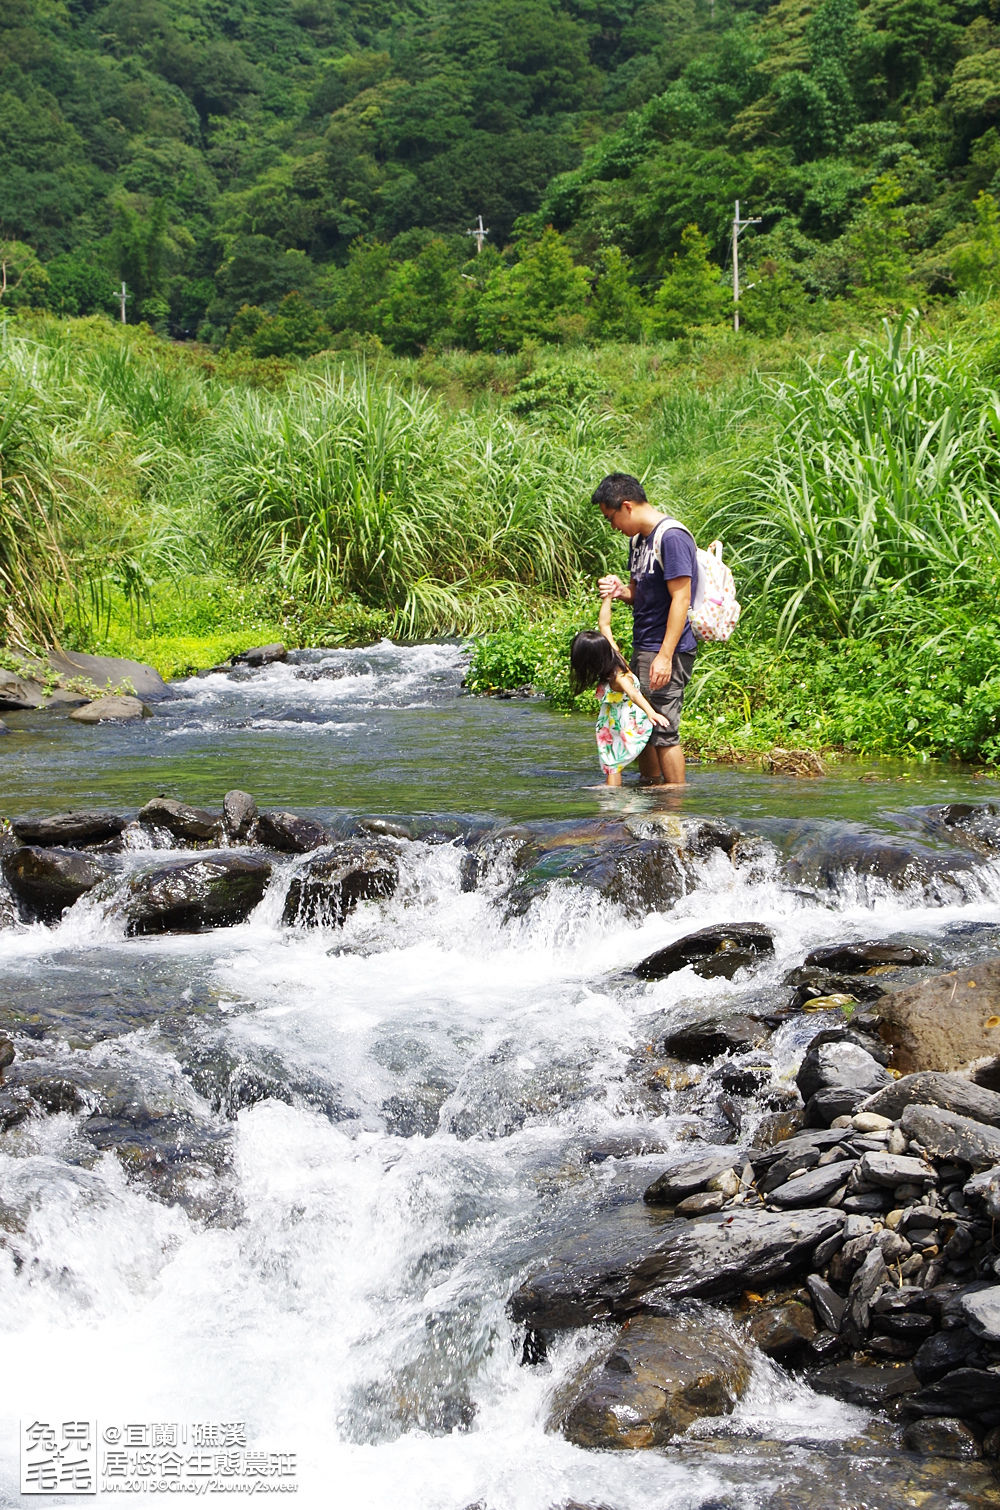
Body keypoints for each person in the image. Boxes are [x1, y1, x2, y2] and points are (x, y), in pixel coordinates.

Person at [593, 472, 698, 786]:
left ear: (626, 506)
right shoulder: (638, 541)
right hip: (645, 643)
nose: (613, 526)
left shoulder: (672, 537)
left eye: (612, 518)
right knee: (643, 722)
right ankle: (651, 797)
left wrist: (665, 656)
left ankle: (675, 810)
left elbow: (681, 598)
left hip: (669, 649)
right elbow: (639, 594)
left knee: (665, 729)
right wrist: (619, 590)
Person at [570, 594, 670, 786]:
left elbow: (633, 693)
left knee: (612, 761)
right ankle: (652, 781)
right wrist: (607, 598)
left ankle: (612, 794)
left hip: (622, 723)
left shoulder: (618, 676)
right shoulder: (613, 654)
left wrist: (651, 712)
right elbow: (604, 624)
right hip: (623, 718)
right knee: (613, 759)